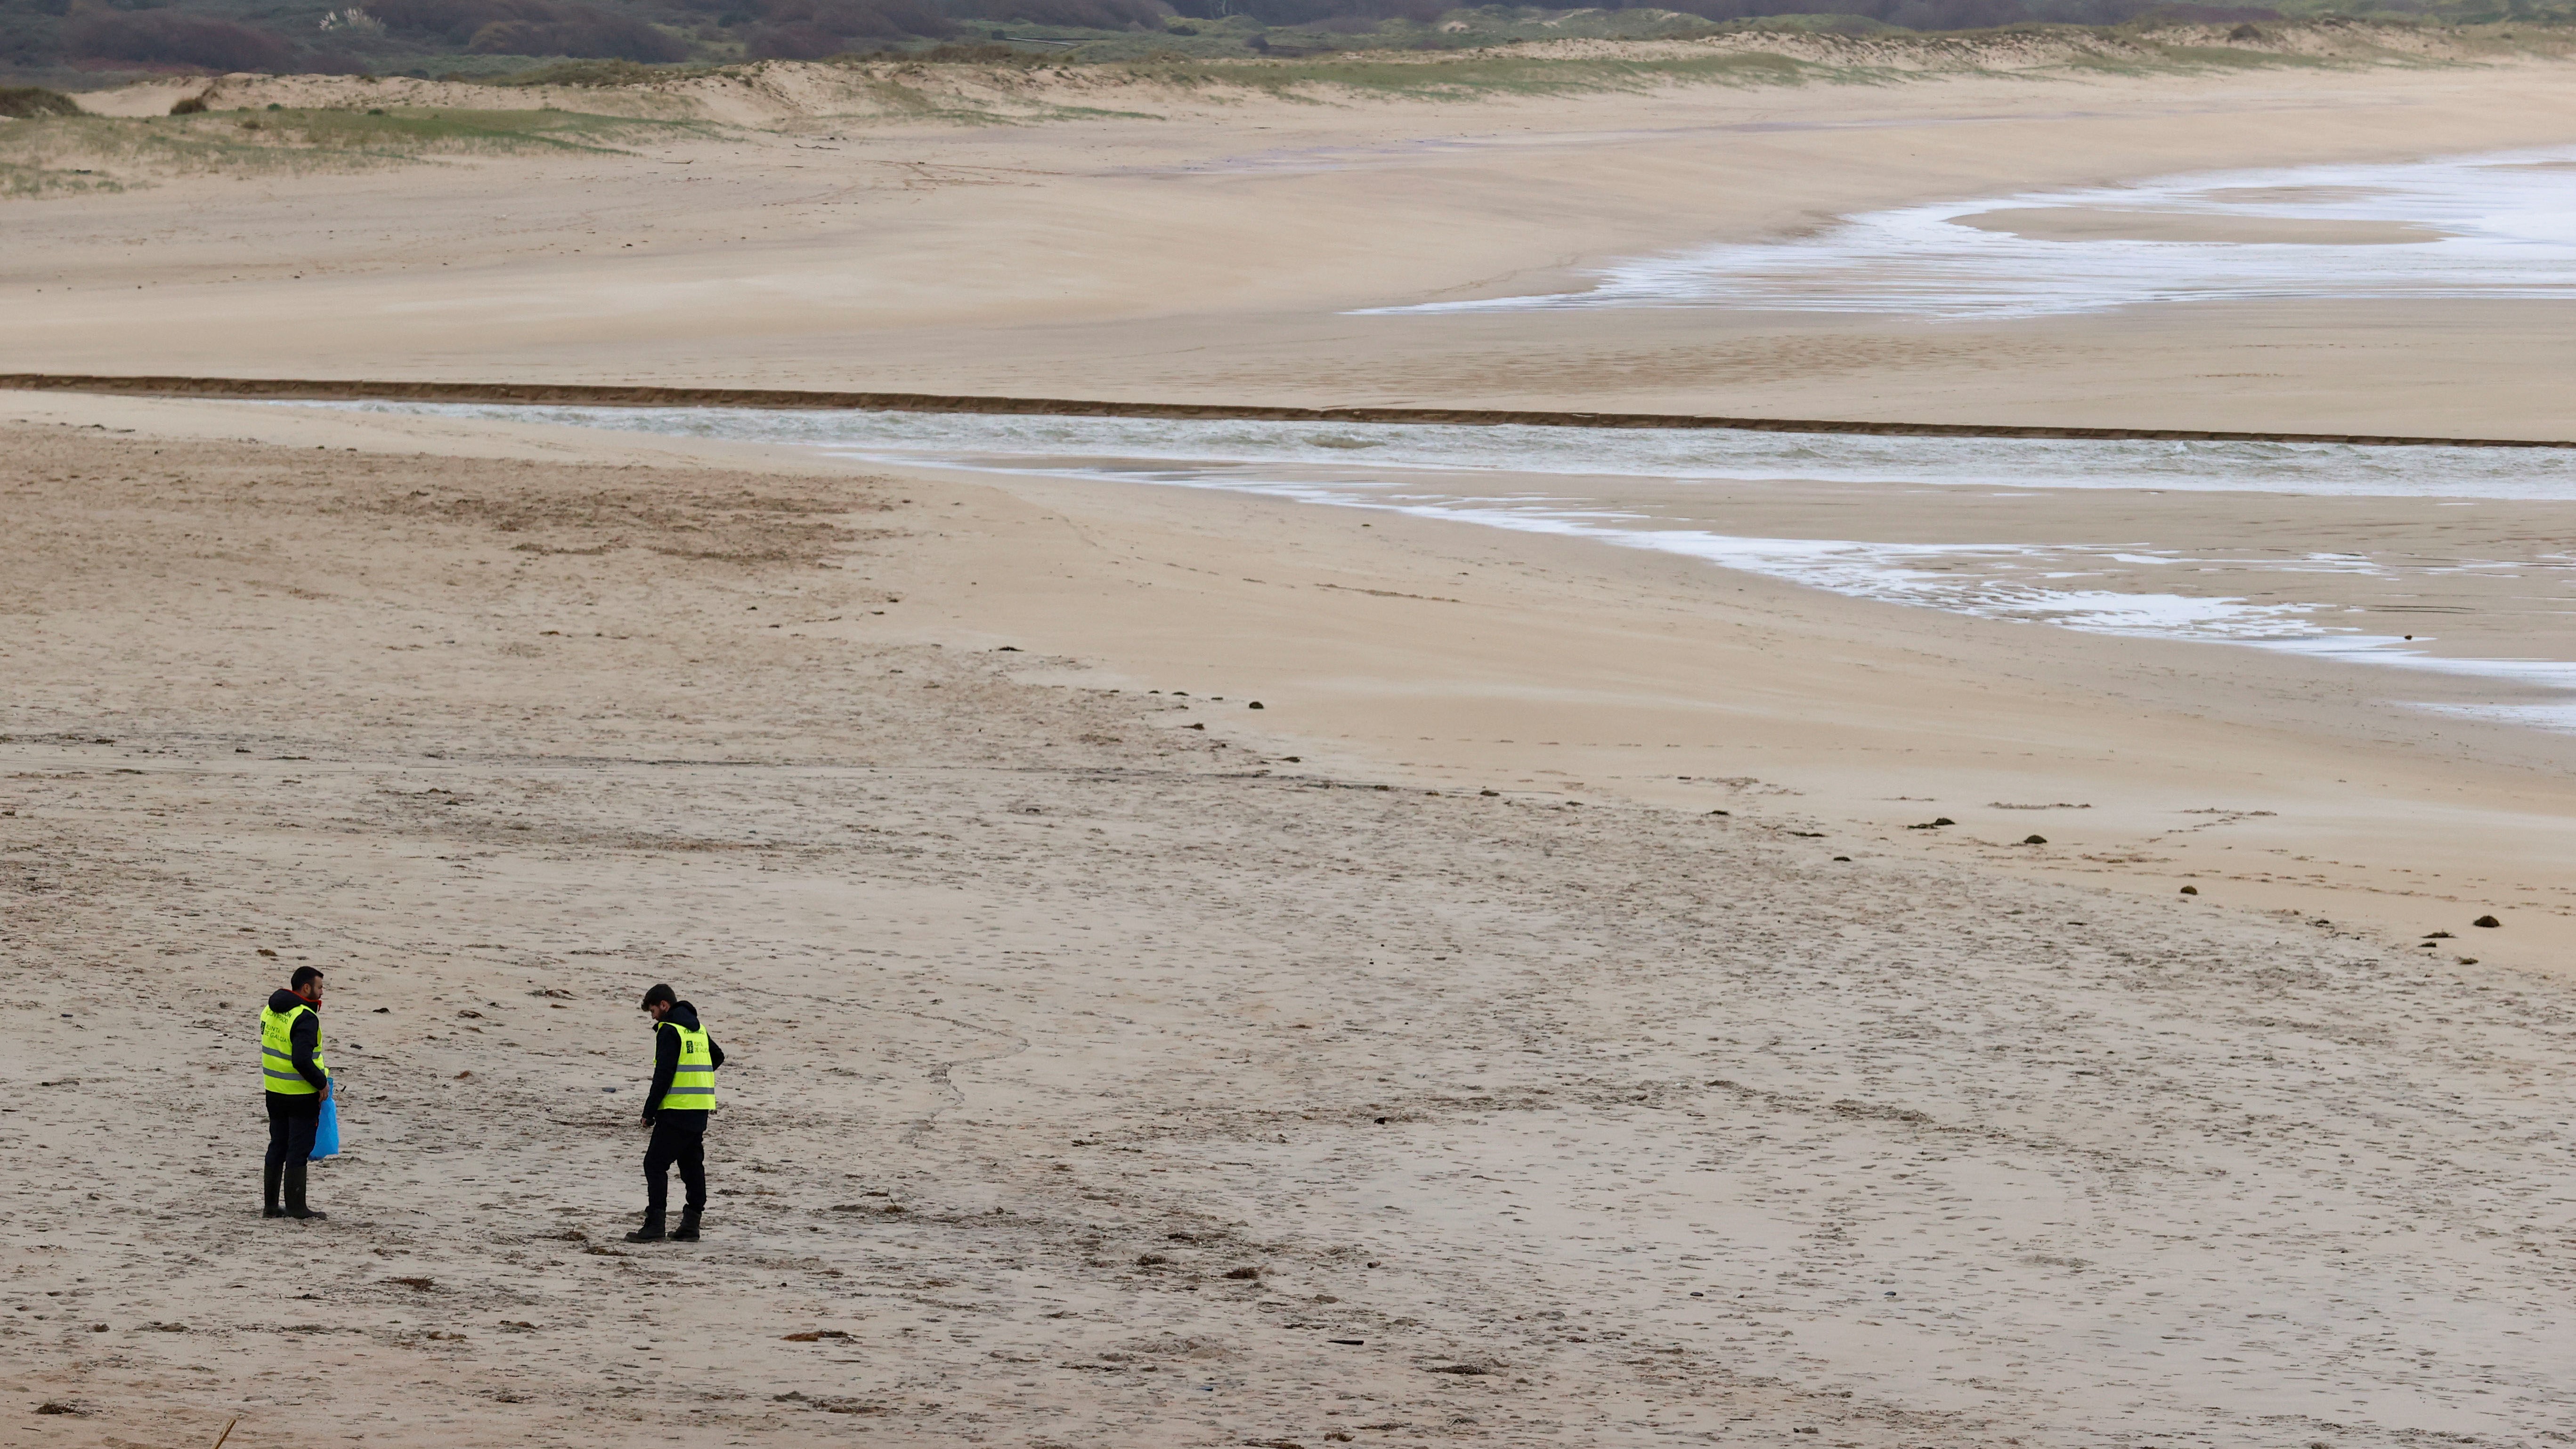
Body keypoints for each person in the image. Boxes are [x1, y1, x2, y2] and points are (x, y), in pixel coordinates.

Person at [628, 983, 724, 1243]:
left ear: (664, 1005)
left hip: (676, 1109)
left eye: (653, 1011)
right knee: (692, 1166)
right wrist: (697, 1076)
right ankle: (691, 1225)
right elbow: (718, 1056)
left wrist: (648, 1112)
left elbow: (663, 1076)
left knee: (655, 1164)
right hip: (700, 1109)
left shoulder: (669, 1031)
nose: (653, 1017)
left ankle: (655, 1225)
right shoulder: (698, 1028)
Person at [260, 965, 332, 1221]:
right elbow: (301, 1060)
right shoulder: (305, 1017)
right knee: (298, 1149)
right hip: (300, 1094)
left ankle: (271, 1206)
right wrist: (321, 1084)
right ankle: (297, 1208)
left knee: (277, 1145)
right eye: (320, 987)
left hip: (274, 1091)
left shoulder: (270, 1010)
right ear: (306, 988)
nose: (323, 992)